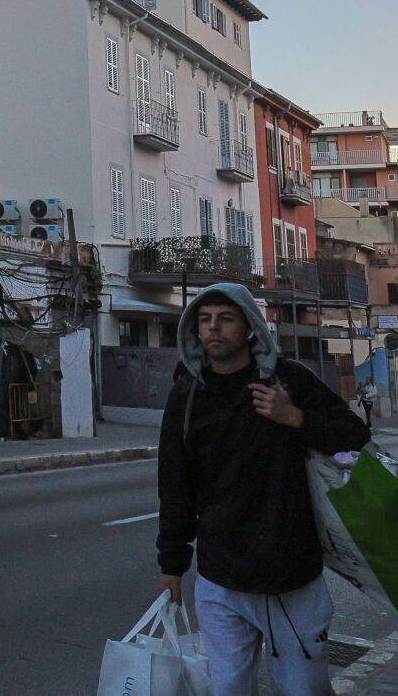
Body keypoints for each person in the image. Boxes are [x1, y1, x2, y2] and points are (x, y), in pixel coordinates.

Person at [157, 284, 373, 696]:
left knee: (303, 688)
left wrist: (294, 416)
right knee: (228, 689)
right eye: (205, 320)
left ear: (249, 326)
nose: (214, 328)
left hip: (290, 575)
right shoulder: (186, 396)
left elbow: (355, 435)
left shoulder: (288, 380)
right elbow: (175, 486)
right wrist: (171, 567)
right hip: (220, 578)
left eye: (226, 318)